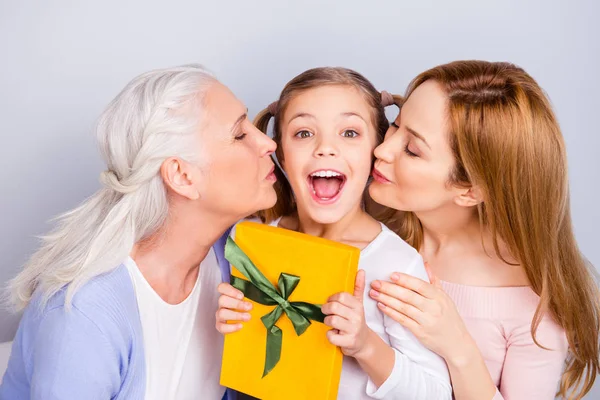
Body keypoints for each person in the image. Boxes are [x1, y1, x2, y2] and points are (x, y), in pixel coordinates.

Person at [0, 64, 278, 400]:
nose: (268, 143)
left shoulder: (234, 256)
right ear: (182, 176)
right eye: (239, 134)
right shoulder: (84, 317)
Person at [368, 60, 600, 399]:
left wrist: (457, 348)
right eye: (395, 126)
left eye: (413, 150)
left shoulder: (534, 308)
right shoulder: (368, 223)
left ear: (470, 190)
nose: (381, 150)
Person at [216, 67, 452, 399]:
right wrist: (227, 325)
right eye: (303, 133)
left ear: (376, 150)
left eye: (350, 133)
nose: (326, 148)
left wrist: (366, 345)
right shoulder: (249, 242)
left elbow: (435, 394)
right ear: (280, 152)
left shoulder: (395, 266)